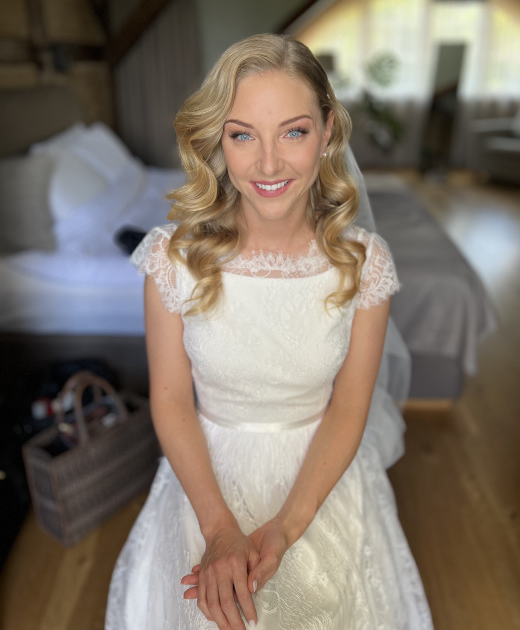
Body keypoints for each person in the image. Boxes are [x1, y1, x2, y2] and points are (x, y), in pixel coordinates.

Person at [105, 33, 433, 629]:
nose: (269, 164)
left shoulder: (365, 263)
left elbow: (350, 405)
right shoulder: (171, 259)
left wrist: (287, 525)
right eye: (242, 135)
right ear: (218, 140)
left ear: (327, 133)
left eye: (293, 132)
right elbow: (172, 399)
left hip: (321, 475)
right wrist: (217, 526)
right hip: (205, 473)